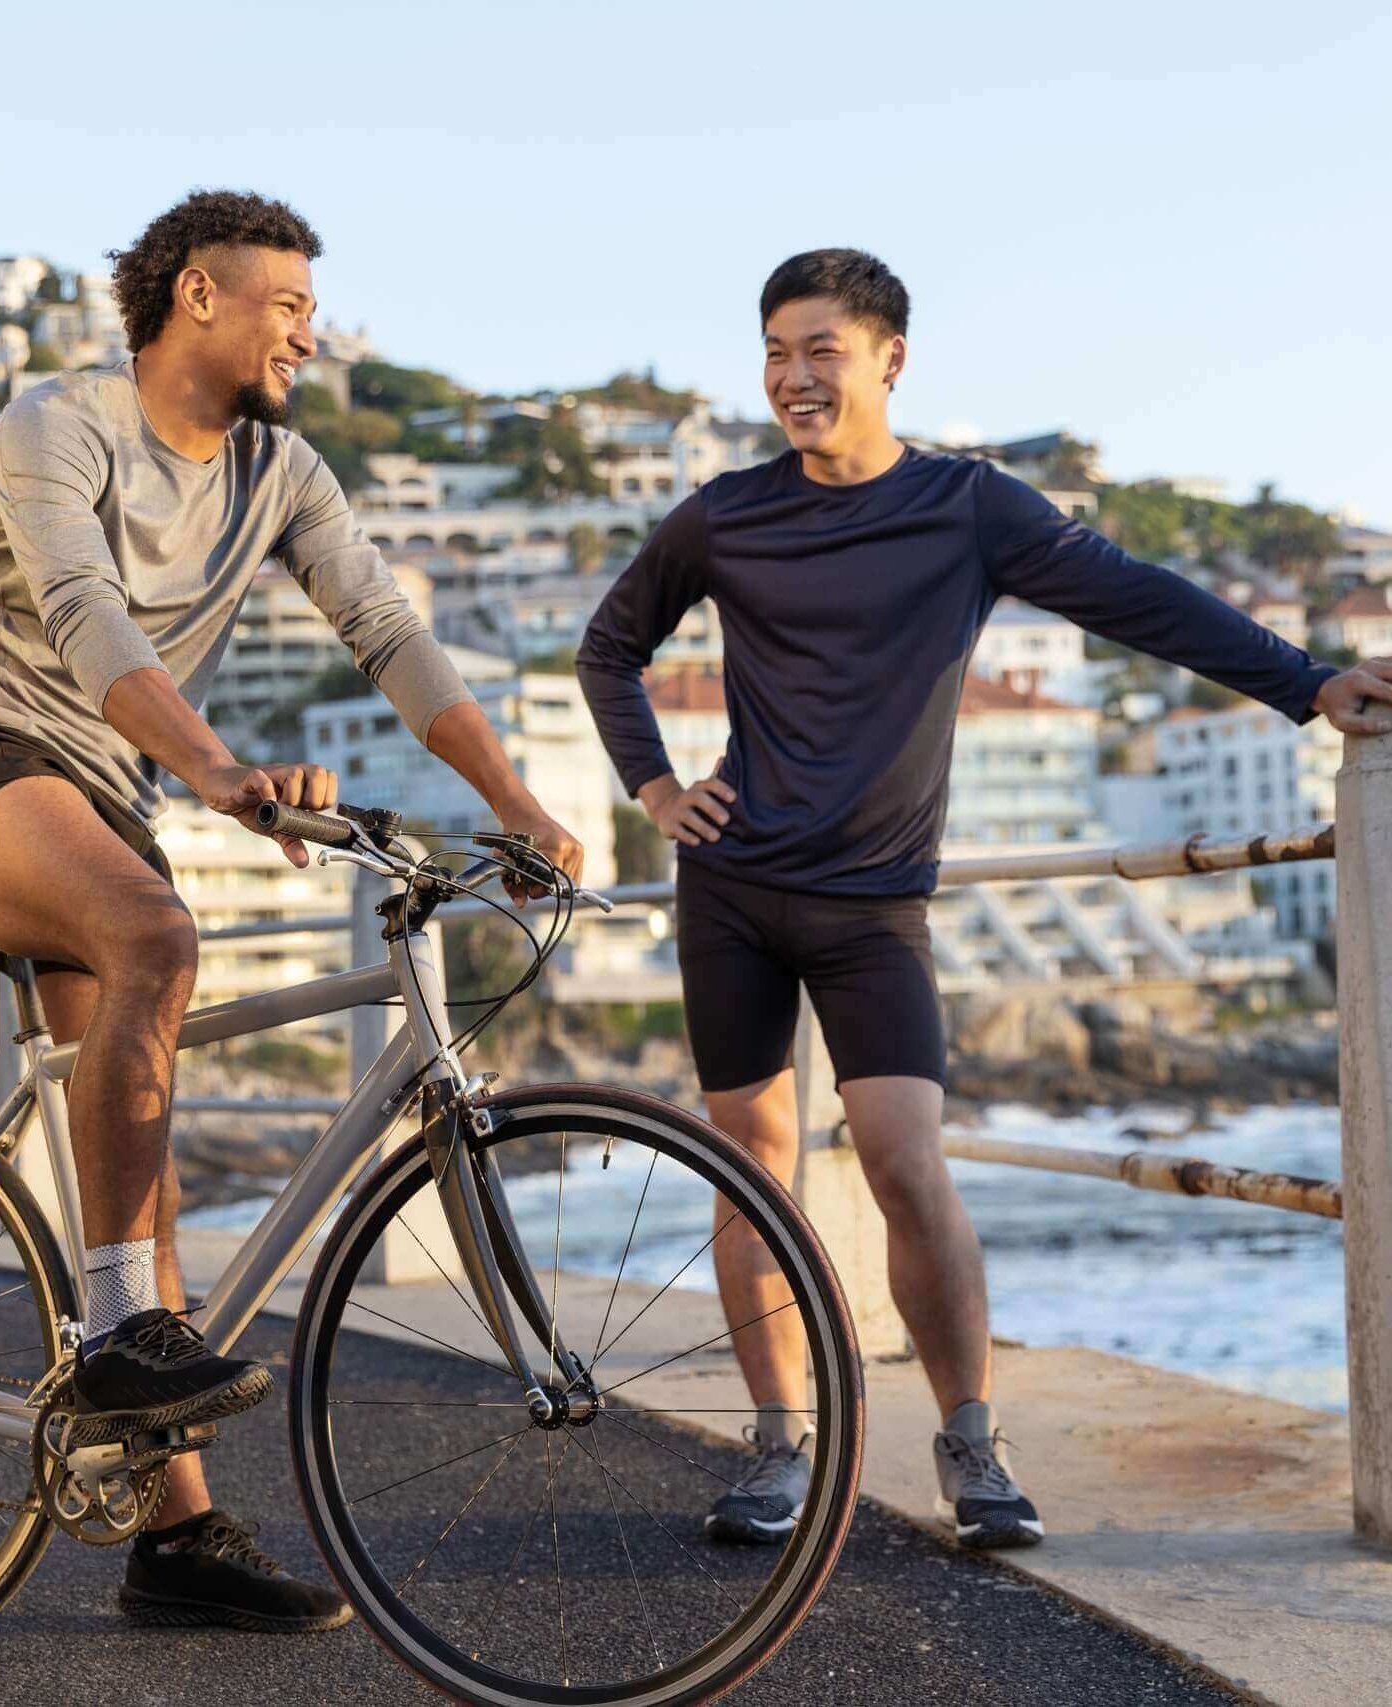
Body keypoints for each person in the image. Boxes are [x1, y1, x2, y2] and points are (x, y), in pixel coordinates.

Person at [576, 247, 1392, 1552]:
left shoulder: (970, 508)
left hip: (871, 906)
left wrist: (1305, 684)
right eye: (775, 351)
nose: (792, 375)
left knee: (906, 1162)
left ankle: (970, 1439)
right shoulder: (725, 515)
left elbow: (1140, 599)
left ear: (890, 358)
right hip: (731, 890)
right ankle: (781, 1446)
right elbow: (610, 647)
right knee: (751, 1167)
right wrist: (658, 791)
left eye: (819, 349)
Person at [0, 189, 584, 1629]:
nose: (309, 334)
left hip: (99, 800)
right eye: (290, 306)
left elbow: (387, 629)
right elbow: (86, 617)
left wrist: (519, 806)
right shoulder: (50, 428)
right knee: (159, 935)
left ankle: (175, 1539)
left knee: (142, 1150)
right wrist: (213, 770)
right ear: (200, 294)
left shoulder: (285, 472)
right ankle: (121, 1329)